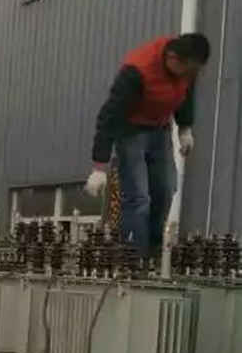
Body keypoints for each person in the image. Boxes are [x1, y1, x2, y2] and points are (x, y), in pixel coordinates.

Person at [85, 33, 211, 257]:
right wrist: (99, 166)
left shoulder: (186, 70)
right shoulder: (137, 70)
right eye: (188, 70)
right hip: (130, 132)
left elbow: (185, 95)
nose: (190, 76)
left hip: (159, 130)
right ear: (173, 58)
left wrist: (185, 128)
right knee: (138, 198)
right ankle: (134, 256)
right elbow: (109, 117)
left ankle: (152, 253)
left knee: (165, 190)